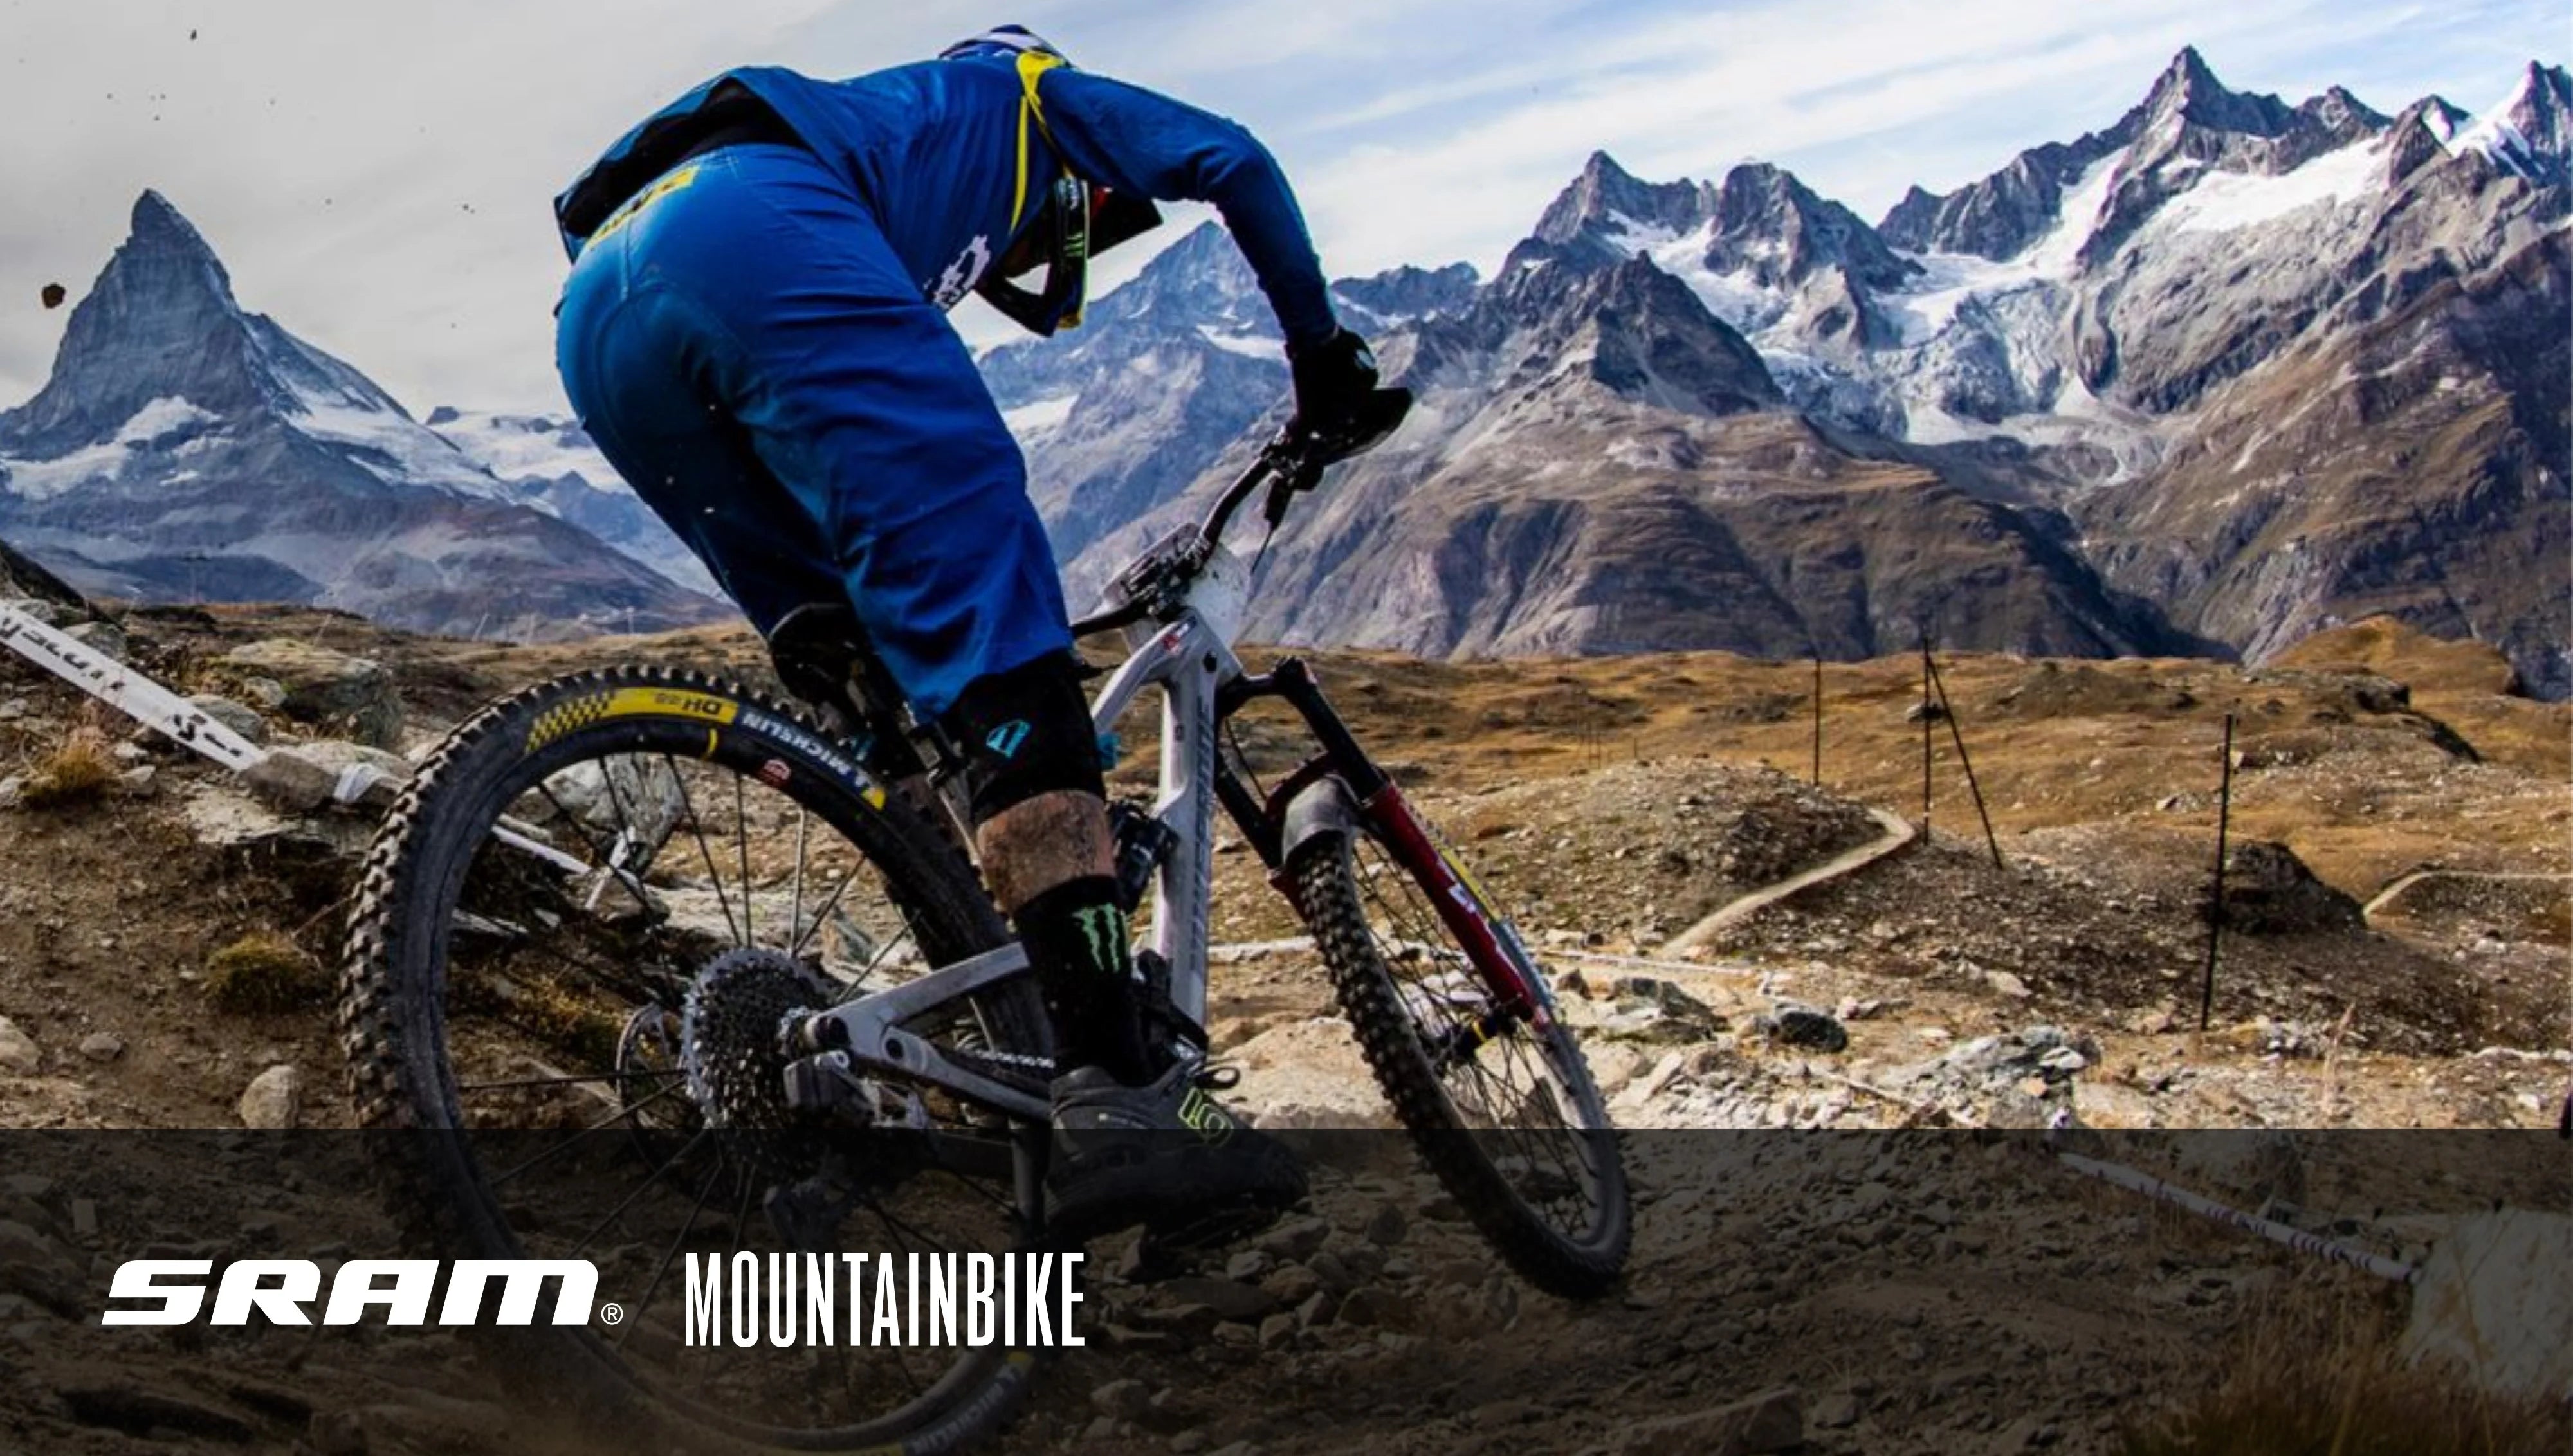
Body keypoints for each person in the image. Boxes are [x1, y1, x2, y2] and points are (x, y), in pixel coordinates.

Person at [551, 24, 1383, 1238]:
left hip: (599, 321)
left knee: (894, 698)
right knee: (1003, 647)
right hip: (751, 231)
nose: (1070, 245)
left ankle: (981, 1081)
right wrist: (1324, 363)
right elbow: (1235, 158)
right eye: (1095, 222)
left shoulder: (896, 139)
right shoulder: (1026, 89)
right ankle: (1128, 1094)